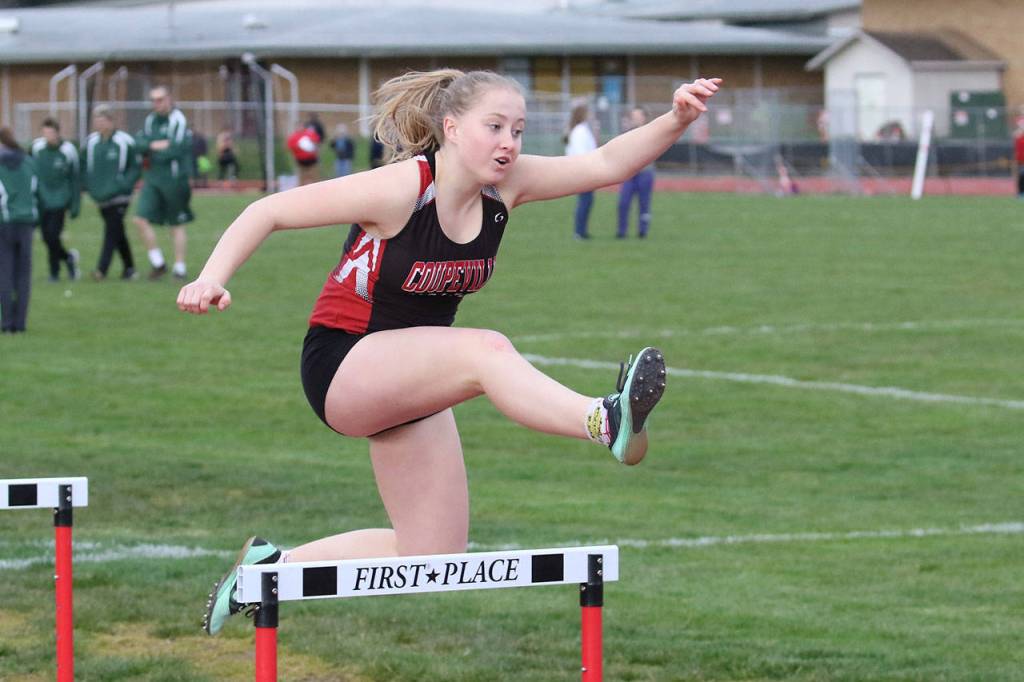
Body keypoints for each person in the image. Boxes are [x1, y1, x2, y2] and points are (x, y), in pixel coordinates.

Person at [176, 69, 720, 636]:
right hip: (344, 363)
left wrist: (677, 117)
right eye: (495, 127)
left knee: (433, 556)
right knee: (485, 351)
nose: (509, 142)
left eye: (518, 129)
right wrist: (211, 278)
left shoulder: (507, 185)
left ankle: (267, 571)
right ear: (453, 129)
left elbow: (607, 164)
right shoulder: (402, 189)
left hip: (412, 379)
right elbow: (268, 210)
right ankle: (604, 419)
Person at [133, 85, 194, 280]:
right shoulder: (151, 120)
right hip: (152, 178)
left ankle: (180, 267)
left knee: (176, 225)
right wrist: (154, 145)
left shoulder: (178, 119)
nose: (157, 104)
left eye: (160, 99)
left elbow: (176, 149)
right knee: (140, 220)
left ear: (169, 99)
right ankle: (158, 263)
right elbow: (140, 144)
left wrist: (154, 148)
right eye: (153, 100)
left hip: (174, 180)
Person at [82, 105, 140, 281]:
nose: (98, 124)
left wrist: (123, 185)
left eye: (102, 120)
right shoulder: (91, 142)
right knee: (117, 231)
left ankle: (101, 269)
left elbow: (135, 168)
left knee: (111, 229)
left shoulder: (125, 141)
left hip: (120, 196)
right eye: (96, 120)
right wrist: (91, 187)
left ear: (111, 121)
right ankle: (129, 268)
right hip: (101, 196)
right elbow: (85, 167)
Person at [31, 118, 80, 281]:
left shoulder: (68, 150)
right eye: (45, 132)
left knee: (53, 236)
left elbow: (75, 178)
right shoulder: (37, 148)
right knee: (46, 237)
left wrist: (74, 204)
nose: (48, 136)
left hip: (60, 200)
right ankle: (68, 259)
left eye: (51, 132)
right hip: (42, 200)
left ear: (58, 133)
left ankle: (54, 273)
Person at [0, 127, 39, 333]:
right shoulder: (28, 161)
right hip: (26, 222)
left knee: (5, 273)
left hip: (5, 221)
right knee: (23, 274)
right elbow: (36, 190)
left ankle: (7, 324)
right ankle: (20, 323)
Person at [616, 107, 655, 239]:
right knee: (623, 202)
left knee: (644, 204)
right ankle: (622, 231)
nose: (635, 118)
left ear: (644, 117)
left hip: (645, 173)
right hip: (629, 174)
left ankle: (643, 231)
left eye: (638, 115)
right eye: (633, 116)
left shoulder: (651, 132)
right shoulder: (626, 133)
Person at [565, 101, 598, 240]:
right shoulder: (579, 130)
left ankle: (582, 230)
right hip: (583, 170)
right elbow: (580, 152)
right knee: (585, 201)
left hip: (586, 168)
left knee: (587, 201)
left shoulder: (582, 129)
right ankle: (579, 231)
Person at [1014, 121, 1024, 198]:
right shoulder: (1019, 137)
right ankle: (1020, 192)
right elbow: (1016, 134)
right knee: (1021, 175)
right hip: (1021, 161)